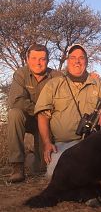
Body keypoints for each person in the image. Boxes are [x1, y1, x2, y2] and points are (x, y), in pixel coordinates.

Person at [34, 44, 101, 177]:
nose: (77, 61)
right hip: (63, 145)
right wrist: (47, 143)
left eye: (81, 58)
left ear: (86, 61)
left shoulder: (99, 84)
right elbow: (43, 115)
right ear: (67, 61)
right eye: (73, 57)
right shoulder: (54, 84)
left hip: (93, 142)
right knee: (54, 173)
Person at [8, 44, 61, 183]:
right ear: (27, 59)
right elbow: (16, 101)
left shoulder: (56, 76)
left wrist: (91, 76)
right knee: (14, 114)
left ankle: (32, 157)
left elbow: (71, 83)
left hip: (46, 124)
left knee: (42, 169)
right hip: (28, 119)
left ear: (48, 60)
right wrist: (40, 112)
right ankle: (17, 166)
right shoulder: (20, 73)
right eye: (34, 58)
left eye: (42, 59)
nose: (38, 62)